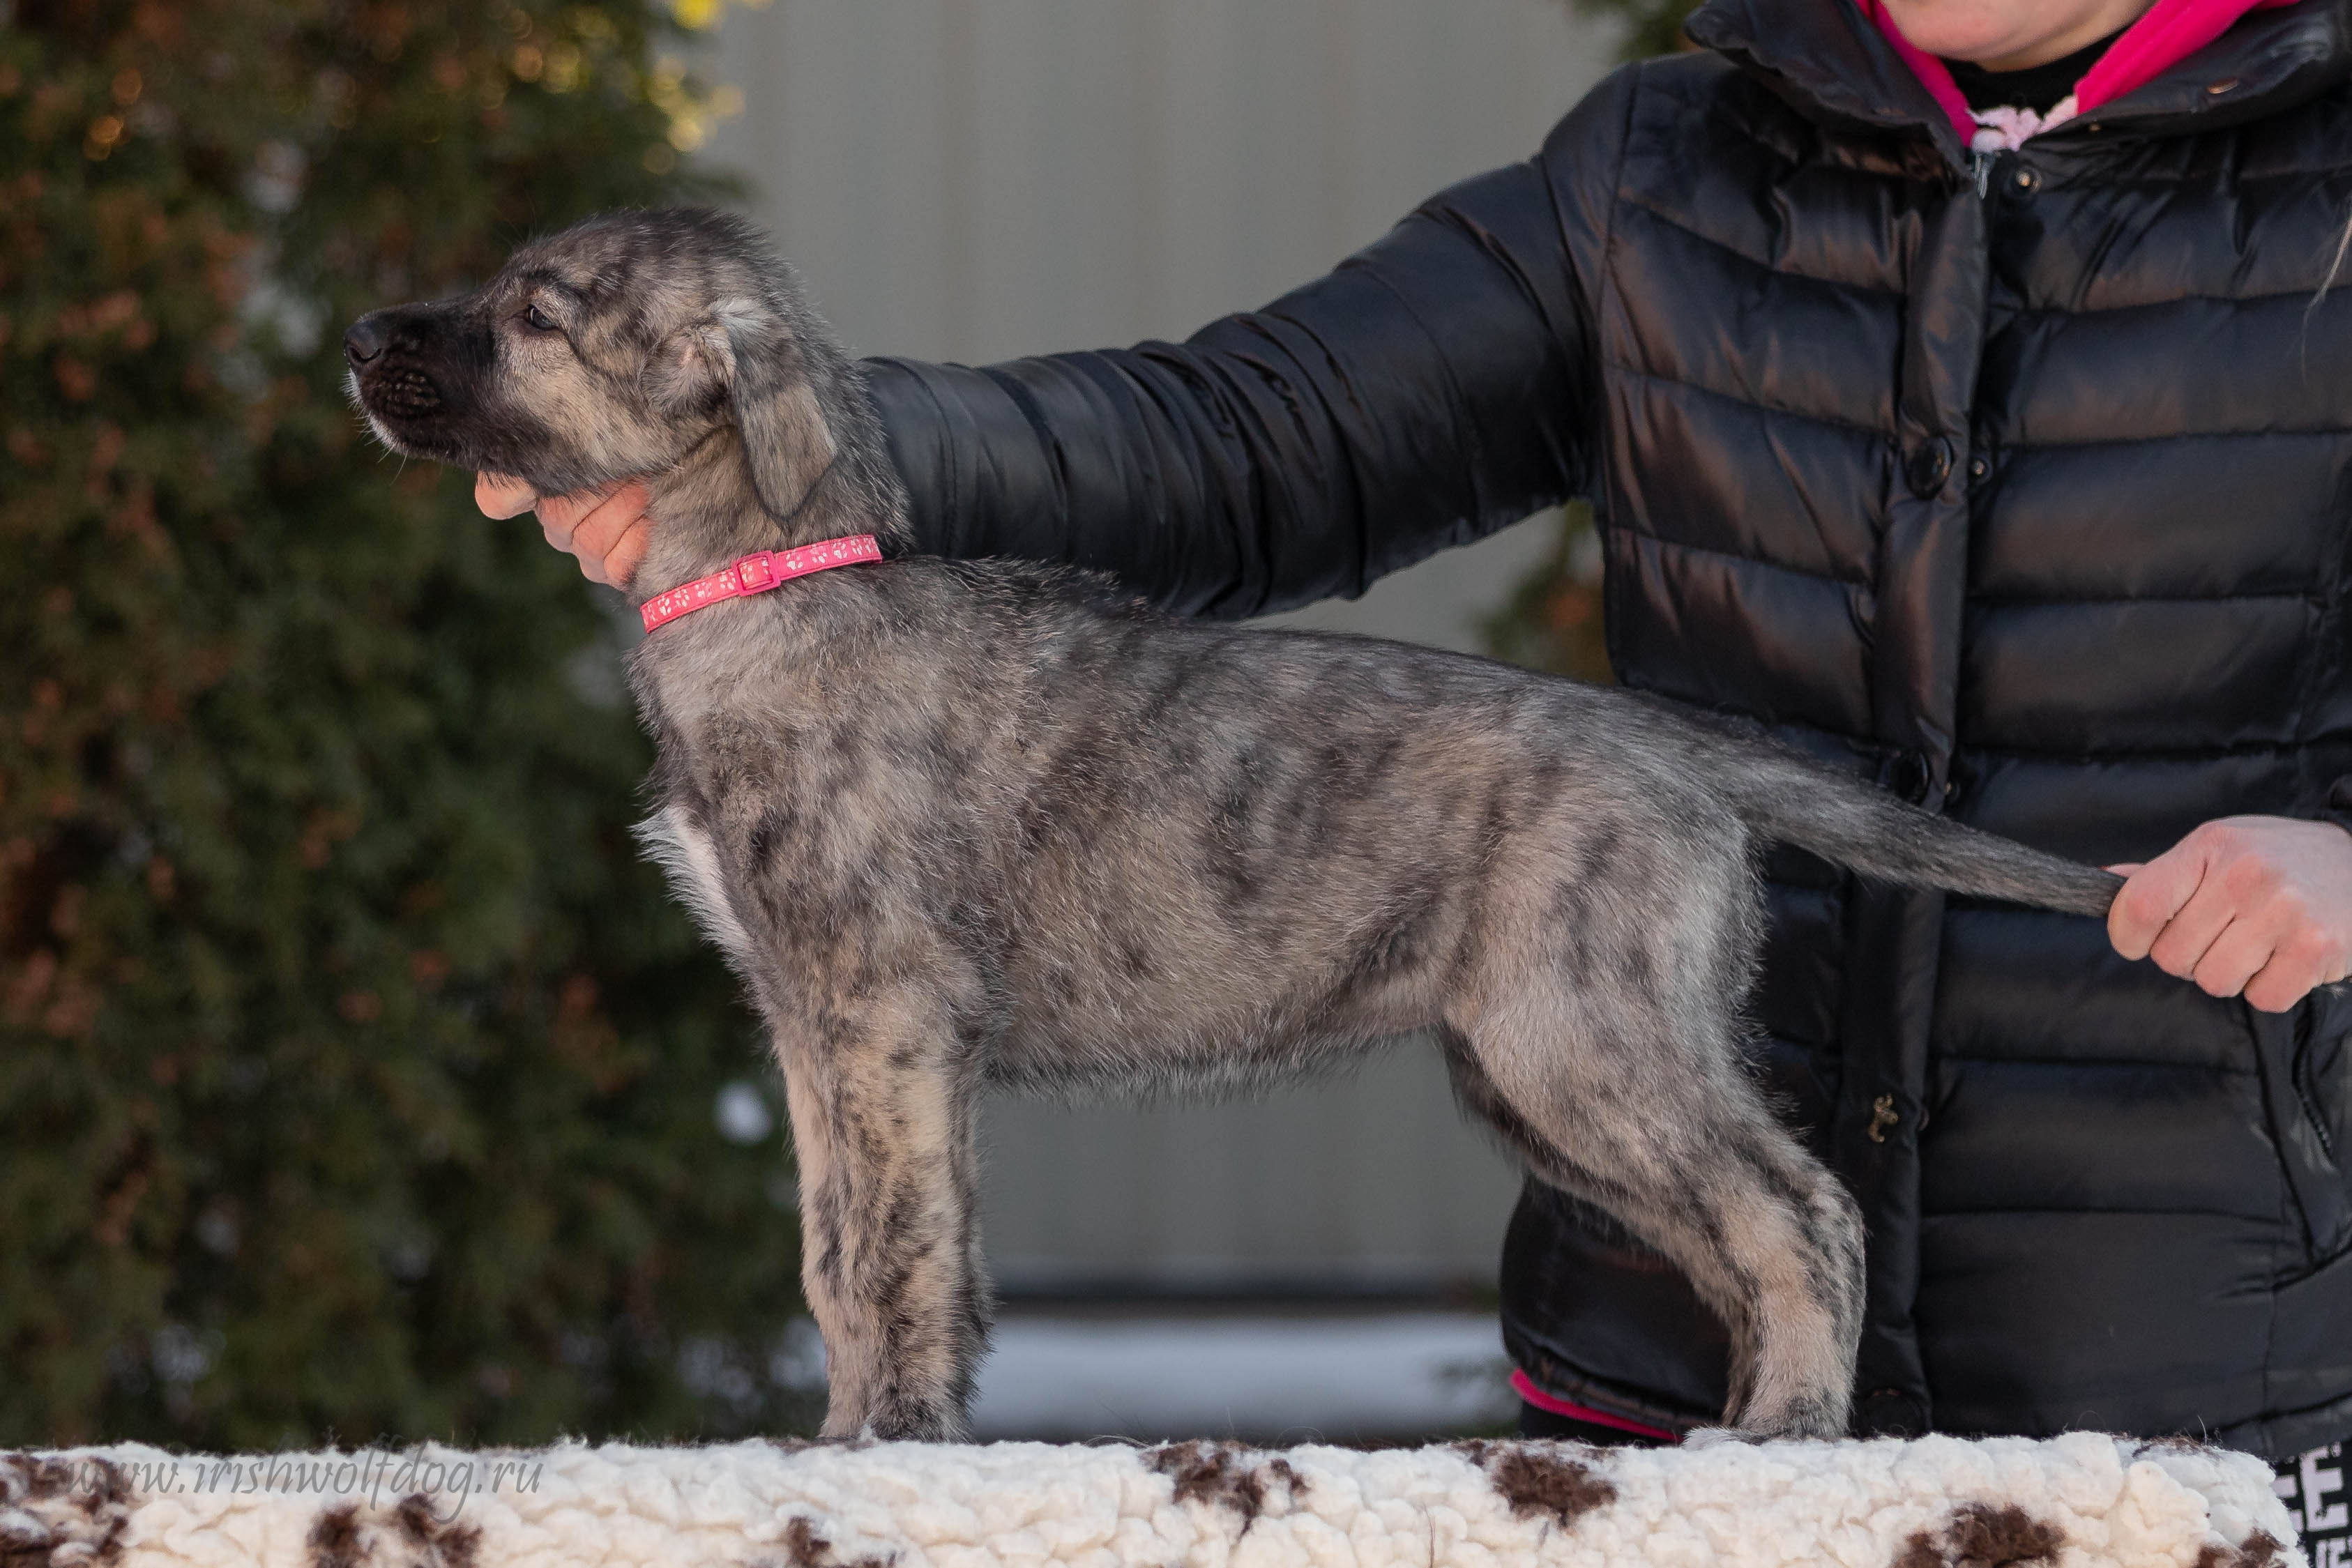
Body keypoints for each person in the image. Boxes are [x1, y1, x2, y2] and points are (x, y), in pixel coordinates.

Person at [479, 0, 2352, 1539]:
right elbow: (1250, 437)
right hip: (1666, 1436)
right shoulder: (1663, 167)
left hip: (2209, 1409)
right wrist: (755, 440)